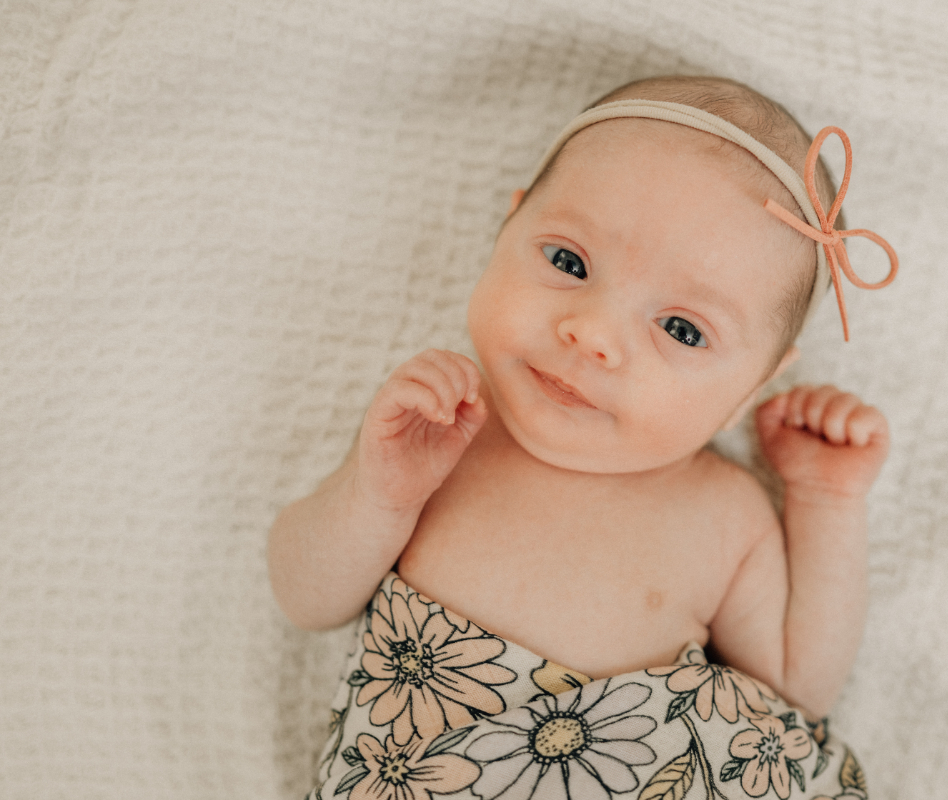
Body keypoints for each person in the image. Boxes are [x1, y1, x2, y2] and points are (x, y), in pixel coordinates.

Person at [270, 75, 896, 799]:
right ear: (505, 233)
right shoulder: (437, 435)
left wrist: (825, 497)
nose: (593, 334)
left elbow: (797, 689)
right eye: (568, 262)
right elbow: (303, 598)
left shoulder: (726, 514)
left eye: (682, 329)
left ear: (752, 389)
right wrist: (373, 492)